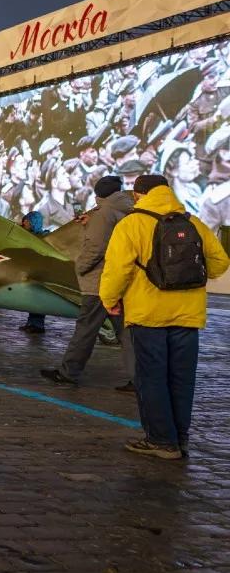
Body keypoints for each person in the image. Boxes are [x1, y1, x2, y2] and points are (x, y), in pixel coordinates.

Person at [100, 174, 228, 460]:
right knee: (182, 379)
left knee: (152, 378)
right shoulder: (193, 222)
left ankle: (161, 440)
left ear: (138, 195)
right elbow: (220, 263)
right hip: (188, 316)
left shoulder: (131, 224)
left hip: (148, 315)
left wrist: (110, 301)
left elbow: (116, 269)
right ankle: (180, 438)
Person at [41, 176, 137, 390]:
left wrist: (79, 267)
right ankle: (139, 378)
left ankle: (68, 373)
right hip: (121, 281)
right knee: (127, 334)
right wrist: (89, 225)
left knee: (85, 330)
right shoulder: (127, 209)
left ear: (99, 194)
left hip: (98, 284)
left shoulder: (103, 214)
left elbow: (96, 247)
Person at [18, 211, 48, 334]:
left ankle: (38, 325)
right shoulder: (29, 235)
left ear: (33, 222)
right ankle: (31, 323)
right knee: (32, 299)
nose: (24, 223)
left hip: (41, 274)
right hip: (32, 273)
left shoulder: (45, 237)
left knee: (39, 299)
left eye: (27, 221)